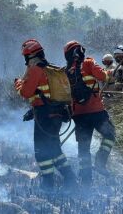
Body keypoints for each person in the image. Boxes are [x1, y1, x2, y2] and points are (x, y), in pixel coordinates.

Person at [15, 39, 77, 190]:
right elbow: (44, 95)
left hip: (45, 116)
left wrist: (18, 83)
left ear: (31, 56)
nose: (25, 61)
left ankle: (48, 184)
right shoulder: (51, 68)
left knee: (41, 152)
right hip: (57, 114)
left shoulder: (36, 70)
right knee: (54, 150)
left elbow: (25, 92)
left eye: (26, 57)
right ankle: (70, 180)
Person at [64, 40, 116, 186]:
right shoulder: (88, 62)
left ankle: (86, 180)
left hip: (78, 115)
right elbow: (104, 77)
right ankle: (100, 162)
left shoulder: (65, 71)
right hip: (96, 111)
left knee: (83, 147)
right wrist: (111, 72)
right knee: (110, 135)